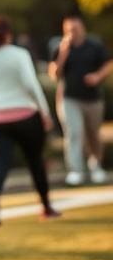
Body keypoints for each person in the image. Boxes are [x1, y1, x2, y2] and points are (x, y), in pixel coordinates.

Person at [0, 16, 60, 226]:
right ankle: (46, 206)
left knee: (1, 162)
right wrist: (44, 112)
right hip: (25, 116)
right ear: (8, 35)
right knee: (35, 161)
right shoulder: (19, 55)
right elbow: (32, 85)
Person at [49, 13, 112, 186]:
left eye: (75, 29)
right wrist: (63, 54)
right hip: (69, 99)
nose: (72, 33)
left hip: (93, 99)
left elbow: (108, 63)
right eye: (68, 30)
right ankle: (76, 170)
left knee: (93, 135)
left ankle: (96, 165)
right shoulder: (60, 48)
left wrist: (97, 77)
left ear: (82, 28)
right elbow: (54, 74)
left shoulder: (94, 45)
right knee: (74, 133)